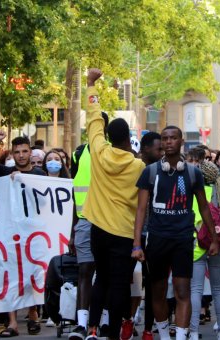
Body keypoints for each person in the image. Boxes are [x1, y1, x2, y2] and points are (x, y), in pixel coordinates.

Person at [132, 125, 219, 340]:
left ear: (181, 141)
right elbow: (141, 209)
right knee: (158, 291)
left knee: (182, 291)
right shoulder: (150, 171)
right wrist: (136, 244)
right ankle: (163, 335)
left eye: (173, 138)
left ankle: (180, 336)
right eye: (165, 138)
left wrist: (214, 239)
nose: (168, 141)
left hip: (182, 238)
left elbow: (204, 207)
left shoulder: (193, 173)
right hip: (157, 239)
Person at [82, 68, 146, 340]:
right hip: (123, 234)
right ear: (127, 137)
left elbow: (94, 119)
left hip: (98, 230)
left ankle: (93, 327)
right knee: (120, 284)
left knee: (101, 279)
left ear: (109, 136)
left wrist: (91, 84)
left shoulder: (98, 152)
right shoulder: (139, 166)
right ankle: (116, 332)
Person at [0, 132, 46, 337]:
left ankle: (33, 314)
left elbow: (46, 201)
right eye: (17, 152)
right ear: (12, 154)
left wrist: (26, 182)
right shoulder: (4, 172)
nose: (21, 155)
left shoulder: (40, 175)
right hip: (9, 235)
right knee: (9, 276)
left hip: (33, 234)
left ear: (30, 152)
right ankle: (12, 323)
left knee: (32, 274)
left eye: (25, 151)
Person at [67, 111, 111, 340]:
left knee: (105, 273)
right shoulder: (78, 154)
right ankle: (81, 323)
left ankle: (103, 321)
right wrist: (72, 231)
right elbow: (75, 193)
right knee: (85, 270)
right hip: (84, 221)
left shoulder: (114, 153)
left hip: (108, 221)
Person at [189, 161, 220, 340]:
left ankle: (193, 331)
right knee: (218, 290)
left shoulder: (195, 192)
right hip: (219, 245)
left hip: (197, 245)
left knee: (196, 290)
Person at [134, 132, 162, 340]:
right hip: (132, 234)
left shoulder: (165, 170)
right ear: (145, 150)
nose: (162, 152)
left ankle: (148, 329)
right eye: (158, 149)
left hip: (155, 235)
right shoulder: (134, 169)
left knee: (154, 283)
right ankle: (127, 320)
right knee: (129, 281)